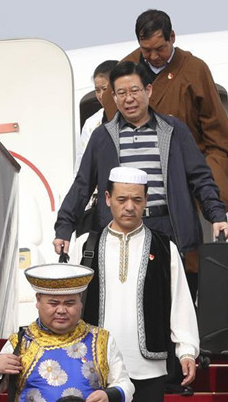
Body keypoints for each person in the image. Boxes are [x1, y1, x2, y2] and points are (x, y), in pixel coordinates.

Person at [54, 60, 228, 269]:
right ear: (114, 97)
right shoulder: (102, 137)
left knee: (171, 298)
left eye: (134, 90)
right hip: (120, 231)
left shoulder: (174, 131)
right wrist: (64, 228)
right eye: (121, 93)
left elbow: (201, 178)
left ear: (148, 90)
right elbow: (82, 185)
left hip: (167, 228)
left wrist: (217, 216)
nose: (129, 99)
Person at [71, 166, 199, 402]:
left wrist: (187, 351)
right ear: (107, 199)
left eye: (137, 199)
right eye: (122, 199)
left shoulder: (164, 247)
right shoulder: (85, 246)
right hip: (94, 365)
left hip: (149, 367)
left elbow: (180, 302)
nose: (129, 206)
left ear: (146, 200)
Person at [100, 9, 228, 213]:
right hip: (137, 188)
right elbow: (110, 133)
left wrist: (211, 189)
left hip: (184, 182)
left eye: (160, 48)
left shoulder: (195, 70)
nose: (154, 56)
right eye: (146, 50)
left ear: (172, 37)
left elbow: (219, 139)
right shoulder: (125, 71)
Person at [0, 264, 135, 402]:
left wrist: (109, 395)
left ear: (80, 302)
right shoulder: (20, 342)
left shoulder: (101, 339)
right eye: (53, 303)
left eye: (69, 303)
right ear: (38, 301)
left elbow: (124, 383)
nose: (61, 310)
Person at [75, 60, 119, 174]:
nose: (100, 95)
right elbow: (82, 165)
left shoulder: (137, 115)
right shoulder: (92, 123)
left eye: (105, 89)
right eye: (97, 90)